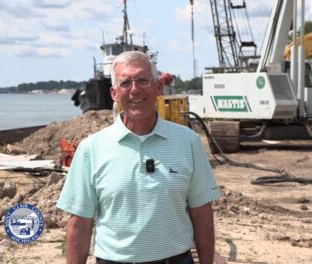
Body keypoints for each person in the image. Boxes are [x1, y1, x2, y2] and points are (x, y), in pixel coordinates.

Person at [57, 51, 221, 264]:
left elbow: (202, 214)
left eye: (143, 80)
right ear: (114, 93)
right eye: (125, 83)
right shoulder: (91, 149)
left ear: (158, 88)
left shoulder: (188, 142)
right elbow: (79, 223)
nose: (135, 89)